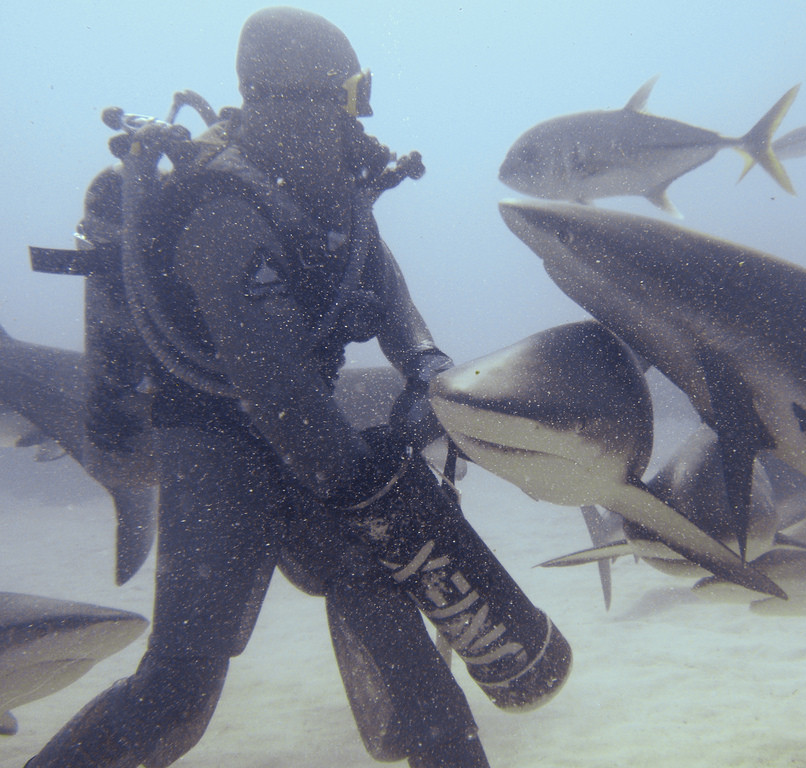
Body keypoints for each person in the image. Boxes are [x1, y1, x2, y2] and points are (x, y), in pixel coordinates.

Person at [26, 7, 570, 767]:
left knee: (389, 614)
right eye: (352, 93)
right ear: (284, 97)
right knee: (178, 696)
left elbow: (381, 282)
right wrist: (372, 495)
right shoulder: (221, 212)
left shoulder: (335, 188)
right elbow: (272, 384)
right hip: (213, 440)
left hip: (312, 437)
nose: (365, 115)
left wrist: (425, 367)